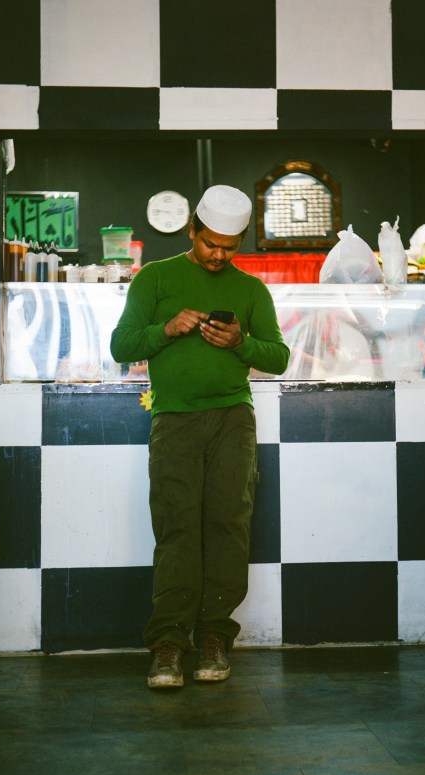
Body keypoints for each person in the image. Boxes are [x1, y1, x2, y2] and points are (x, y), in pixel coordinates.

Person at [110, 184, 290, 689]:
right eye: (210, 244)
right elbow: (121, 344)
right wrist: (165, 330)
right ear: (192, 231)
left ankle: (215, 637)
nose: (218, 255)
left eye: (230, 247)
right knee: (177, 529)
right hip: (174, 420)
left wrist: (241, 343)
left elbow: (278, 357)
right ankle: (168, 644)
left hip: (234, 417)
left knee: (228, 527)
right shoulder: (155, 277)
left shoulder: (251, 290)